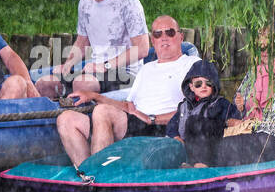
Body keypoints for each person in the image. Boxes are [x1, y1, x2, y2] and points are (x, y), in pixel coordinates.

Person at [56, 15, 198, 176]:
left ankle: (100, 178)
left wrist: (153, 119)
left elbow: (196, 108)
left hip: (162, 128)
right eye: (158, 34)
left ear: (181, 36)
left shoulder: (191, 64)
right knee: (66, 119)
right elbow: (128, 107)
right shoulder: (147, 69)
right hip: (136, 122)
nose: (164, 38)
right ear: (153, 40)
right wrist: (94, 96)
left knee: (102, 112)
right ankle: (89, 177)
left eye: (170, 32)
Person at [35, 0, 150, 99]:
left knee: (83, 83)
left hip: (126, 74)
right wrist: (68, 64)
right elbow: (82, 42)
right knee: (44, 84)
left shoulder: (129, 4)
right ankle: (68, 111)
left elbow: (142, 49)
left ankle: (82, 114)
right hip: (94, 72)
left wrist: (105, 65)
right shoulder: (85, 2)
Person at [166, 59, 243, 166]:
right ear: (191, 87)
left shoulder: (219, 103)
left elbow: (235, 118)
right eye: (198, 83)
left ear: (214, 85)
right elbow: (171, 126)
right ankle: (185, 164)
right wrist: (177, 138)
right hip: (186, 147)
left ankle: (201, 164)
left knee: (199, 122)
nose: (203, 86)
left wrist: (239, 108)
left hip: (210, 149)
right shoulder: (184, 107)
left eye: (208, 83)